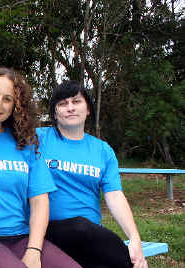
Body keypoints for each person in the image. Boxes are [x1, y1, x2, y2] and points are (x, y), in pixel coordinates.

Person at [0, 67, 81, 268]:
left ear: (15, 106)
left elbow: (39, 201)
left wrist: (34, 250)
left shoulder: (25, 144)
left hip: (21, 236)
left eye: (7, 99)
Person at [37, 80, 148, 268]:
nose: (70, 108)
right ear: (55, 113)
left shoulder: (103, 150)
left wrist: (135, 238)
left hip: (90, 237)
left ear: (88, 109)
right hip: (48, 233)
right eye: (63, 104)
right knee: (80, 226)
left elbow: (114, 196)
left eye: (76, 101)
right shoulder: (38, 139)